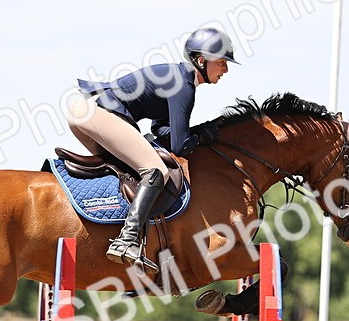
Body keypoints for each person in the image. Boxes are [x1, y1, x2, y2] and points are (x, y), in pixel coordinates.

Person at [66, 27, 239, 272]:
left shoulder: (178, 77)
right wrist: (202, 135)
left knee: (132, 169)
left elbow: (163, 132)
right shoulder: (184, 85)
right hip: (99, 114)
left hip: (83, 113)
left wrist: (197, 133)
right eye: (221, 62)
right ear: (201, 60)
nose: (226, 69)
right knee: (156, 171)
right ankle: (127, 240)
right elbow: (181, 146)